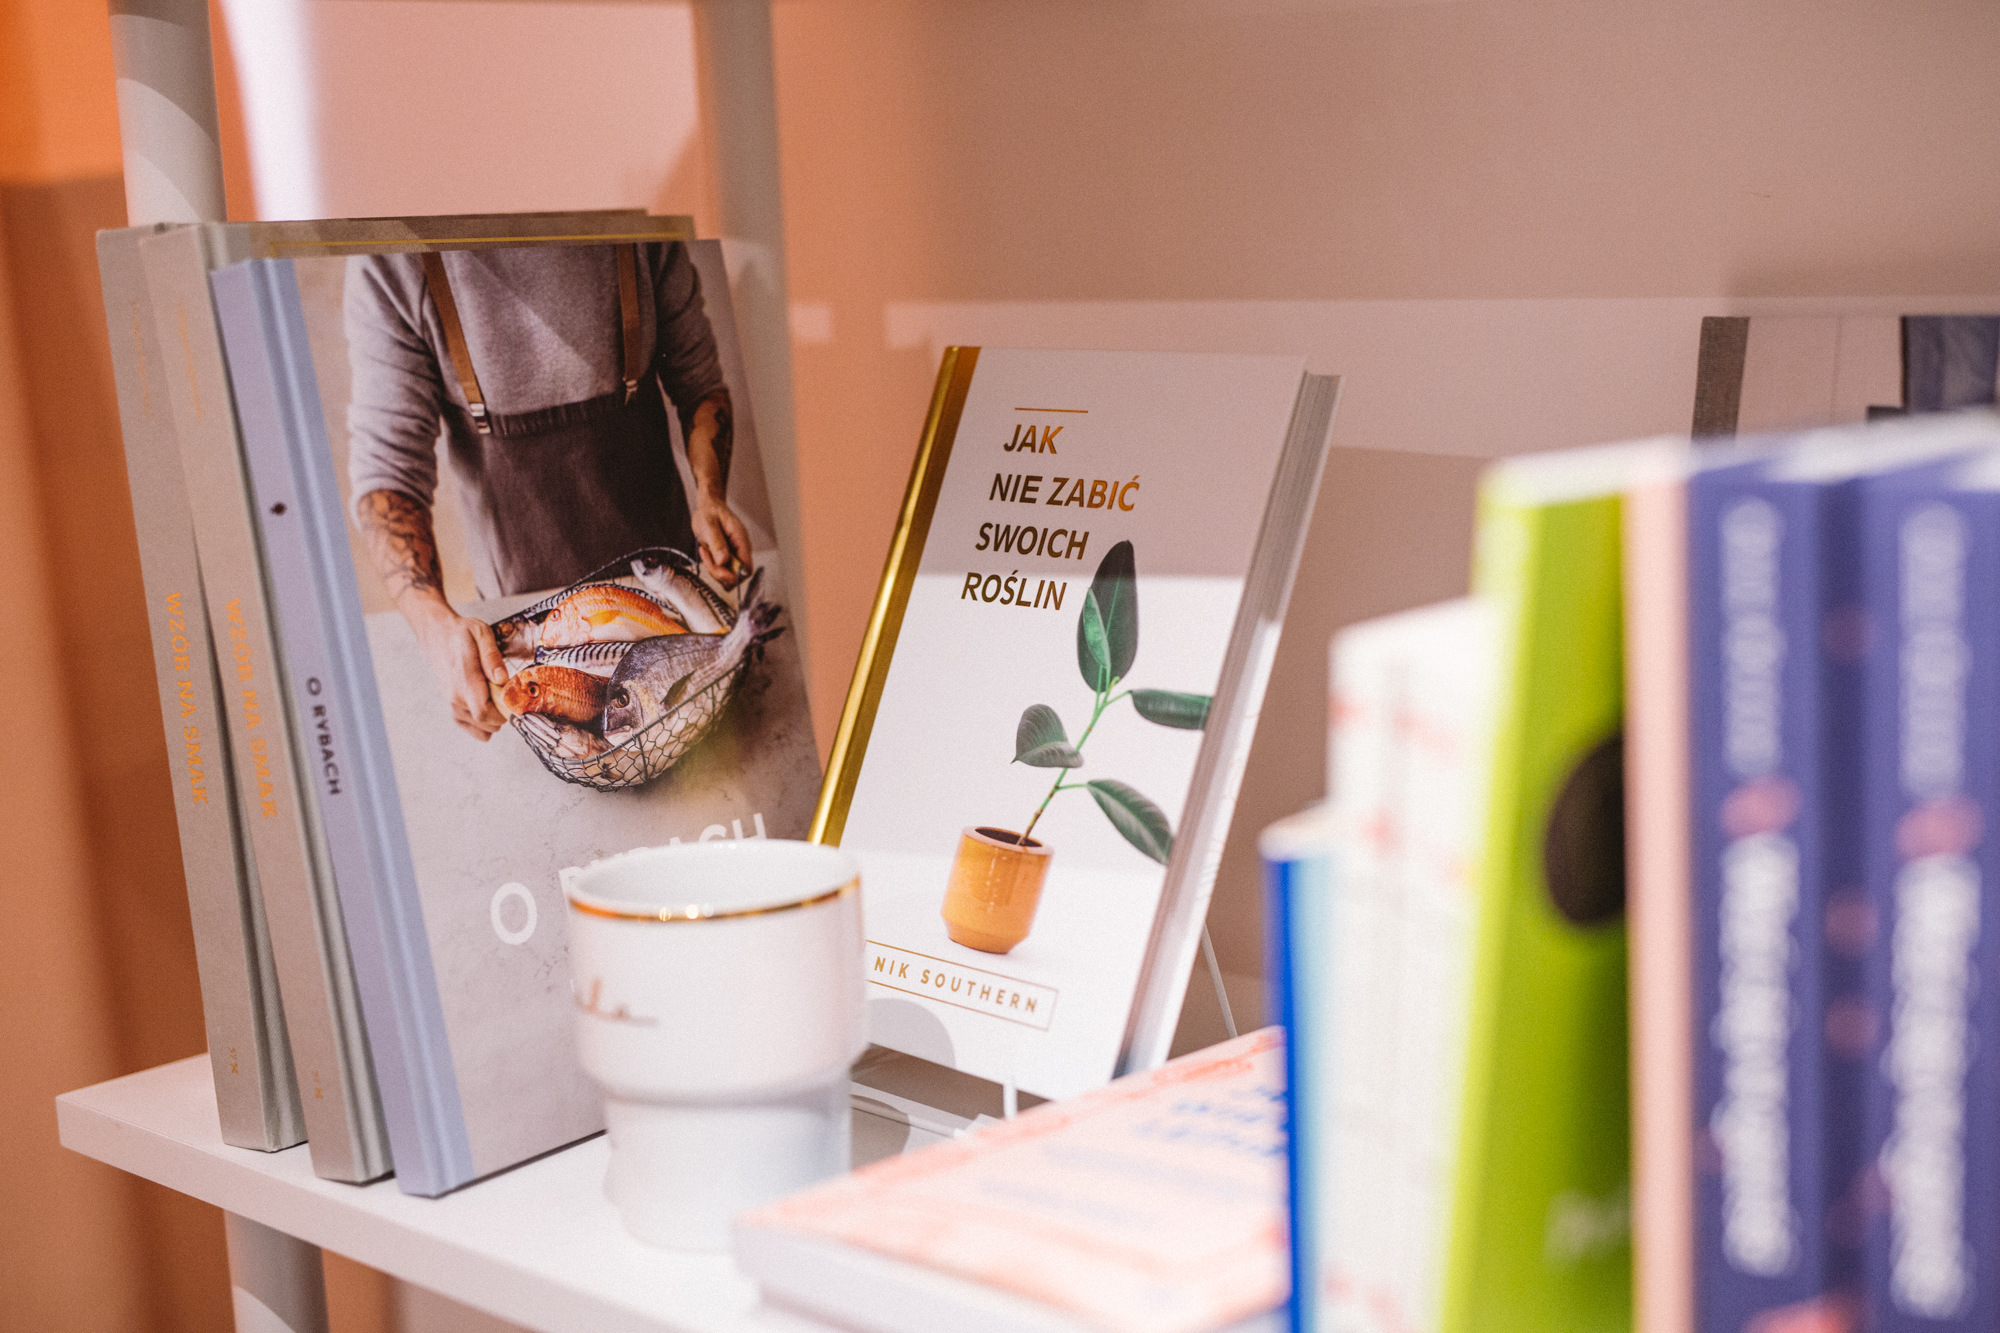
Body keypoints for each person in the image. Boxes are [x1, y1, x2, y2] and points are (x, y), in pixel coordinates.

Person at [344, 241, 751, 741]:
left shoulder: (644, 221)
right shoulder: (391, 261)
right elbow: (387, 475)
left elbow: (701, 384)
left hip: (666, 592)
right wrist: (436, 629)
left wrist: (710, 495)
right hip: (521, 625)